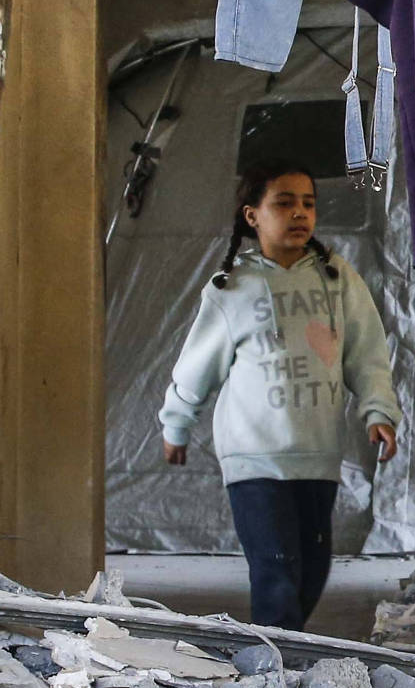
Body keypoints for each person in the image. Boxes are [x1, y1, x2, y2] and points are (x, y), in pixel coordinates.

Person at [160, 165, 400, 632]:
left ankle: (282, 651)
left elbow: (368, 354)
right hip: (253, 456)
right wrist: (177, 424)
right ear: (252, 215)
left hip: (317, 454)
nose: (299, 213)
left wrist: (378, 411)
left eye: (308, 203)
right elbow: (197, 365)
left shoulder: (337, 278)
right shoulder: (232, 288)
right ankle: (277, 664)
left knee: (311, 570)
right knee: (276, 570)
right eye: (284, 203)